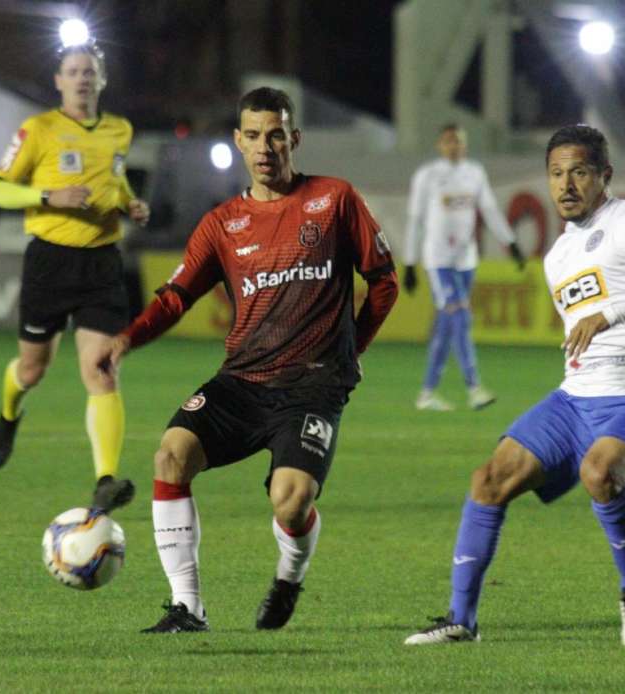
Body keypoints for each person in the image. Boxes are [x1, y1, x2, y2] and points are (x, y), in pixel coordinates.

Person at [96, 87, 398, 633]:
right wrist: (126, 340)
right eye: (254, 136)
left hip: (312, 385)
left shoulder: (334, 199)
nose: (265, 147)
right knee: (171, 456)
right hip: (243, 380)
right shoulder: (222, 224)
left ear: (294, 139)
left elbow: (384, 283)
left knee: (290, 500)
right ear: (238, 141)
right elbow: (175, 298)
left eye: (276, 135)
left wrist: (351, 350)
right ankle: (187, 607)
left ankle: (290, 574)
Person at [405, 124, 625, 648]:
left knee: (599, 473)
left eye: (579, 172)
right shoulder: (558, 257)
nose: (566, 185)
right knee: (488, 480)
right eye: (556, 173)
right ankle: (461, 620)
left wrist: (611, 314)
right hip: (576, 396)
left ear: (604, 175)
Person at [0, 37, 149, 514]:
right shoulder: (37, 130)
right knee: (32, 369)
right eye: (73, 71)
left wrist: (128, 202)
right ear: (58, 81)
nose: (82, 79)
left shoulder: (120, 129)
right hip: (51, 262)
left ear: (102, 79)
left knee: (102, 369)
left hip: (102, 263)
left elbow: (114, 178)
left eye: (89, 71)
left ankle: (105, 479)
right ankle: (8, 414)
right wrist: (47, 197)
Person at [403, 124, 526, 412]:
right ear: (439, 145)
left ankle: (427, 393)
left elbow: (490, 210)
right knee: (461, 316)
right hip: (438, 259)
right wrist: (409, 262)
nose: (454, 146)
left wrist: (510, 242)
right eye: (448, 141)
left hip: (466, 259)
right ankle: (474, 388)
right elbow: (415, 219)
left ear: (465, 144)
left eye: (458, 141)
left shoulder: (475, 173)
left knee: (446, 327)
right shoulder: (427, 175)